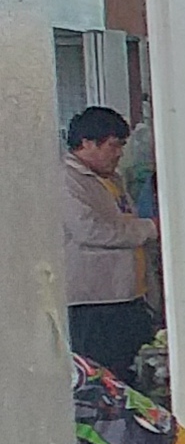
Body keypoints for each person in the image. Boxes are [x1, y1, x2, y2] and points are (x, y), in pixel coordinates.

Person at [57, 107, 155, 377]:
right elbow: (91, 230)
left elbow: (123, 220)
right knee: (103, 377)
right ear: (88, 143)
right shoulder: (66, 180)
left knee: (134, 372)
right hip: (94, 303)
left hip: (127, 295)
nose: (119, 153)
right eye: (113, 145)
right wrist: (148, 228)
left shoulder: (111, 179)